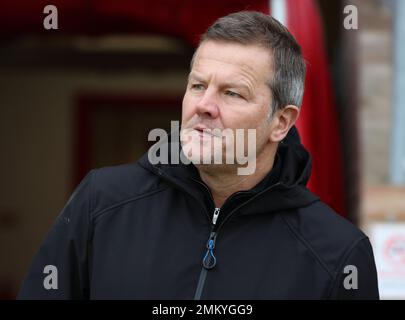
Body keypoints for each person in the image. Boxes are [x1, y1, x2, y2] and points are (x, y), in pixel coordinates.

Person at [18, 11, 379, 300]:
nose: (204, 106)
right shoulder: (101, 203)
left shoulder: (337, 254)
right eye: (198, 85)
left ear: (281, 122)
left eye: (232, 93)